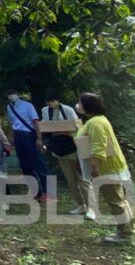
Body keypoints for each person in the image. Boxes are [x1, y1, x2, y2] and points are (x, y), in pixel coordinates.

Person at [77, 92, 134, 244]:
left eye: (80, 102)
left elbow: (98, 146)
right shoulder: (98, 120)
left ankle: (125, 235)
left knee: (115, 202)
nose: (78, 105)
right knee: (120, 200)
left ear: (87, 105)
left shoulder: (95, 123)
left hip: (106, 168)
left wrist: (95, 167)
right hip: (111, 166)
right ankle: (127, 231)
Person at [41, 89, 95, 219]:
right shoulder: (45, 111)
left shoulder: (68, 110)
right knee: (70, 179)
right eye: (48, 102)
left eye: (52, 101)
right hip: (58, 148)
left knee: (82, 179)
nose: (51, 104)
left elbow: (78, 127)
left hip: (73, 147)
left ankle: (91, 208)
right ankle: (81, 204)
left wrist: (65, 131)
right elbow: (45, 127)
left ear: (57, 100)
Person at [6, 88, 53, 202]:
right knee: (25, 165)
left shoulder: (27, 106)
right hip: (18, 136)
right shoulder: (9, 107)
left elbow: (35, 122)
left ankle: (49, 193)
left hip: (29, 135)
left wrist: (39, 138)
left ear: (18, 94)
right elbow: (13, 123)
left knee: (38, 163)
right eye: (9, 94)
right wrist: (12, 138)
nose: (12, 96)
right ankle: (35, 191)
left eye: (14, 93)